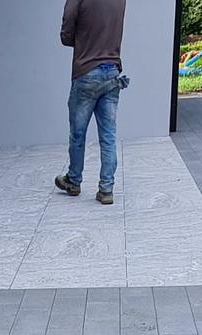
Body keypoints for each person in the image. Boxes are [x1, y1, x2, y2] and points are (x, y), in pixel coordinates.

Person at [56, 0, 128, 205]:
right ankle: (106, 189)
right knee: (108, 136)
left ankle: (73, 181)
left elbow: (66, 30)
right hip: (112, 70)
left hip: (86, 71)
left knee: (78, 134)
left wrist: (82, 41)